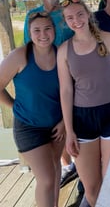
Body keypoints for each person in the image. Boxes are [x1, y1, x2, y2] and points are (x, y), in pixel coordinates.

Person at [57, 0, 110, 207]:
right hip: (82, 119)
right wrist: (69, 131)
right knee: (91, 186)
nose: (76, 20)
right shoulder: (64, 50)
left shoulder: (108, 39)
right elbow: (66, 90)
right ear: (65, 21)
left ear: (88, 15)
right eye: (70, 17)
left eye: (80, 14)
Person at [0, 12, 65, 207]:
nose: (43, 34)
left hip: (57, 126)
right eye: (37, 30)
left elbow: (70, 92)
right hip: (28, 127)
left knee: (55, 172)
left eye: (47, 29)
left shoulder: (61, 54)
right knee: (46, 179)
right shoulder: (20, 56)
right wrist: (14, 106)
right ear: (29, 33)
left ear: (54, 31)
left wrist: (64, 122)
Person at [23, 0, 78, 189]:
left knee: (68, 119)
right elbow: (29, 46)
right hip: (45, 75)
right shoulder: (31, 16)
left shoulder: (67, 12)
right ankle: (67, 165)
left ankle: (75, 163)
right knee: (54, 123)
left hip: (70, 72)